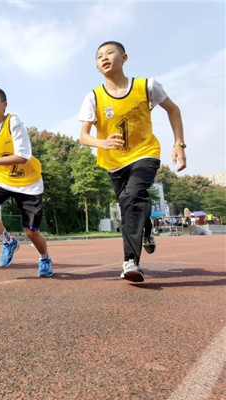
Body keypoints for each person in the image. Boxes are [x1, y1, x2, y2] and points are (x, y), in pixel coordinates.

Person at [78, 41, 186, 282]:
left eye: (110, 53)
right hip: (114, 162)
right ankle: (146, 228)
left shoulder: (147, 86)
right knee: (130, 203)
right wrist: (102, 142)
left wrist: (179, 143)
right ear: (97, 67)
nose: (104, 58)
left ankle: (130, 262)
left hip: (145, 153)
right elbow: (83, 136)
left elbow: (173, 110)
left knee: (132, 197)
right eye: (99, 56)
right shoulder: (93, 97)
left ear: (124, 57)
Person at [0, 87, 52, 276]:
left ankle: (45, 258)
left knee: (31, 232)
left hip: (28, 182)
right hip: (1, 178)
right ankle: (8, 241)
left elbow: (23, 156)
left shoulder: (13, 122)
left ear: (4, 105)